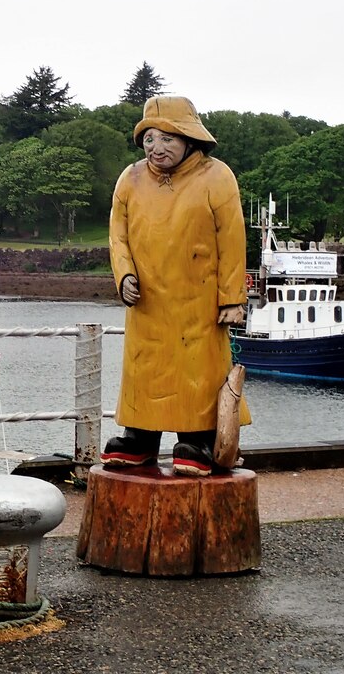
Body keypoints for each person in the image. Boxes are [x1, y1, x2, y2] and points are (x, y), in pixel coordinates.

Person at [102, 95, 251, 476]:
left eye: (167, 138)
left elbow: (232, 239)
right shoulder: (130, 179)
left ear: (189, 138)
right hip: (147, 300)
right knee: (143, 370)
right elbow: (118, 235)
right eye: (149, 139)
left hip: (198, 301)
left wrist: (232, 298)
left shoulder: (217, 177)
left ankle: (197, 438)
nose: (157, 148)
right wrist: (125, 276)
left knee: (196, 372)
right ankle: (138, 437)